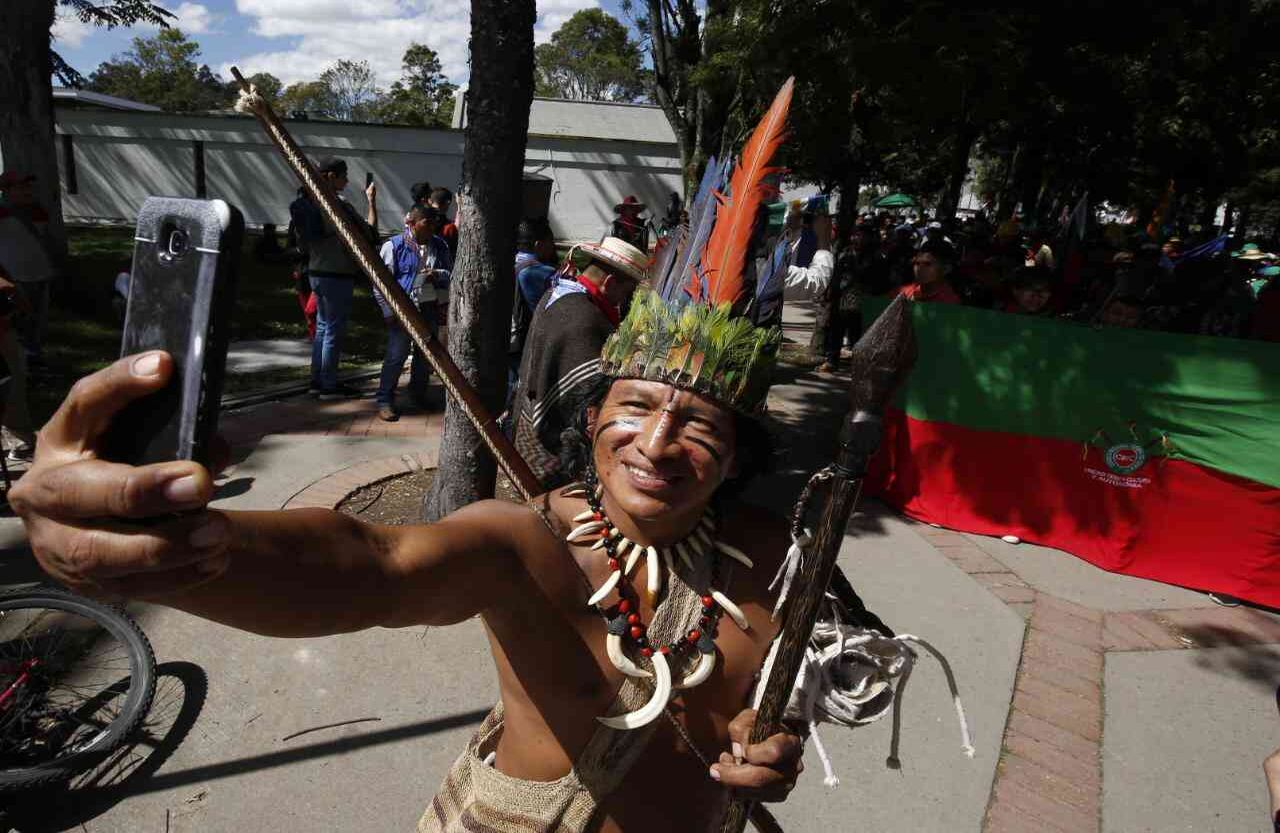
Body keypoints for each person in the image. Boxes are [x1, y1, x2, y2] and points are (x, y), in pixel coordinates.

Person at [513, 237, 647, 488]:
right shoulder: (587, 320)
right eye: (625, 292)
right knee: (556, 512)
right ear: (609, 283)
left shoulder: (558, 294)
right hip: (551, 444)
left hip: (526, 424)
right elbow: (587, 399)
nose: (622, 301)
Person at [295, 157, 378, 400]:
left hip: (316, 271)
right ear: (330, 176)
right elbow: (370, 232)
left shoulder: (310, 201)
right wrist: (371, 201)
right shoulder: (337, 204)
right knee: (333, 329)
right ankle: (329, 385)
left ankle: (317, 381)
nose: (347, 180)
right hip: (337, 273)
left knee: (322, 327)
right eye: (343, 175)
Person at [373, 203, 452, 422]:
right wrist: (389, 311)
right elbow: (380, 283)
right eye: (426, 223)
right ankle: (385, 399)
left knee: (424, 354)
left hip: (430, 307)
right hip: (403, 309)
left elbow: (450, 273)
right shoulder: (394, 246)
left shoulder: (440, 245)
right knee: (396, 354)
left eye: (434, 224)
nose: (431, 229)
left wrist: (437, 274)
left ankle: (418, 394)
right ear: (413, 223)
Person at [0, 172, 54, 368]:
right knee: (16, 320)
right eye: (21, 187)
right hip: (14, 276)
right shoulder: (2, 213)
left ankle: (34, 354)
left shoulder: (39, 212)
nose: (27, 191)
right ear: (6, 190)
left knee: (38, 319)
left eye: (29, 187)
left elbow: (42, 240)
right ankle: (16, 360)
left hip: (41, 273)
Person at [508, 217, 558, 392]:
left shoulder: (510, 262)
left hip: (507, 336)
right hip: (524, 338)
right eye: (550, 242)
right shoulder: (542, 272)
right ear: (538, 245)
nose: (553, 247)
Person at [898, 239, 962, 304]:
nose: (919, 269)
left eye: (927, 264)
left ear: (946, 269)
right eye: (917, 263)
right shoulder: (903, 292)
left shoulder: (950, 302)